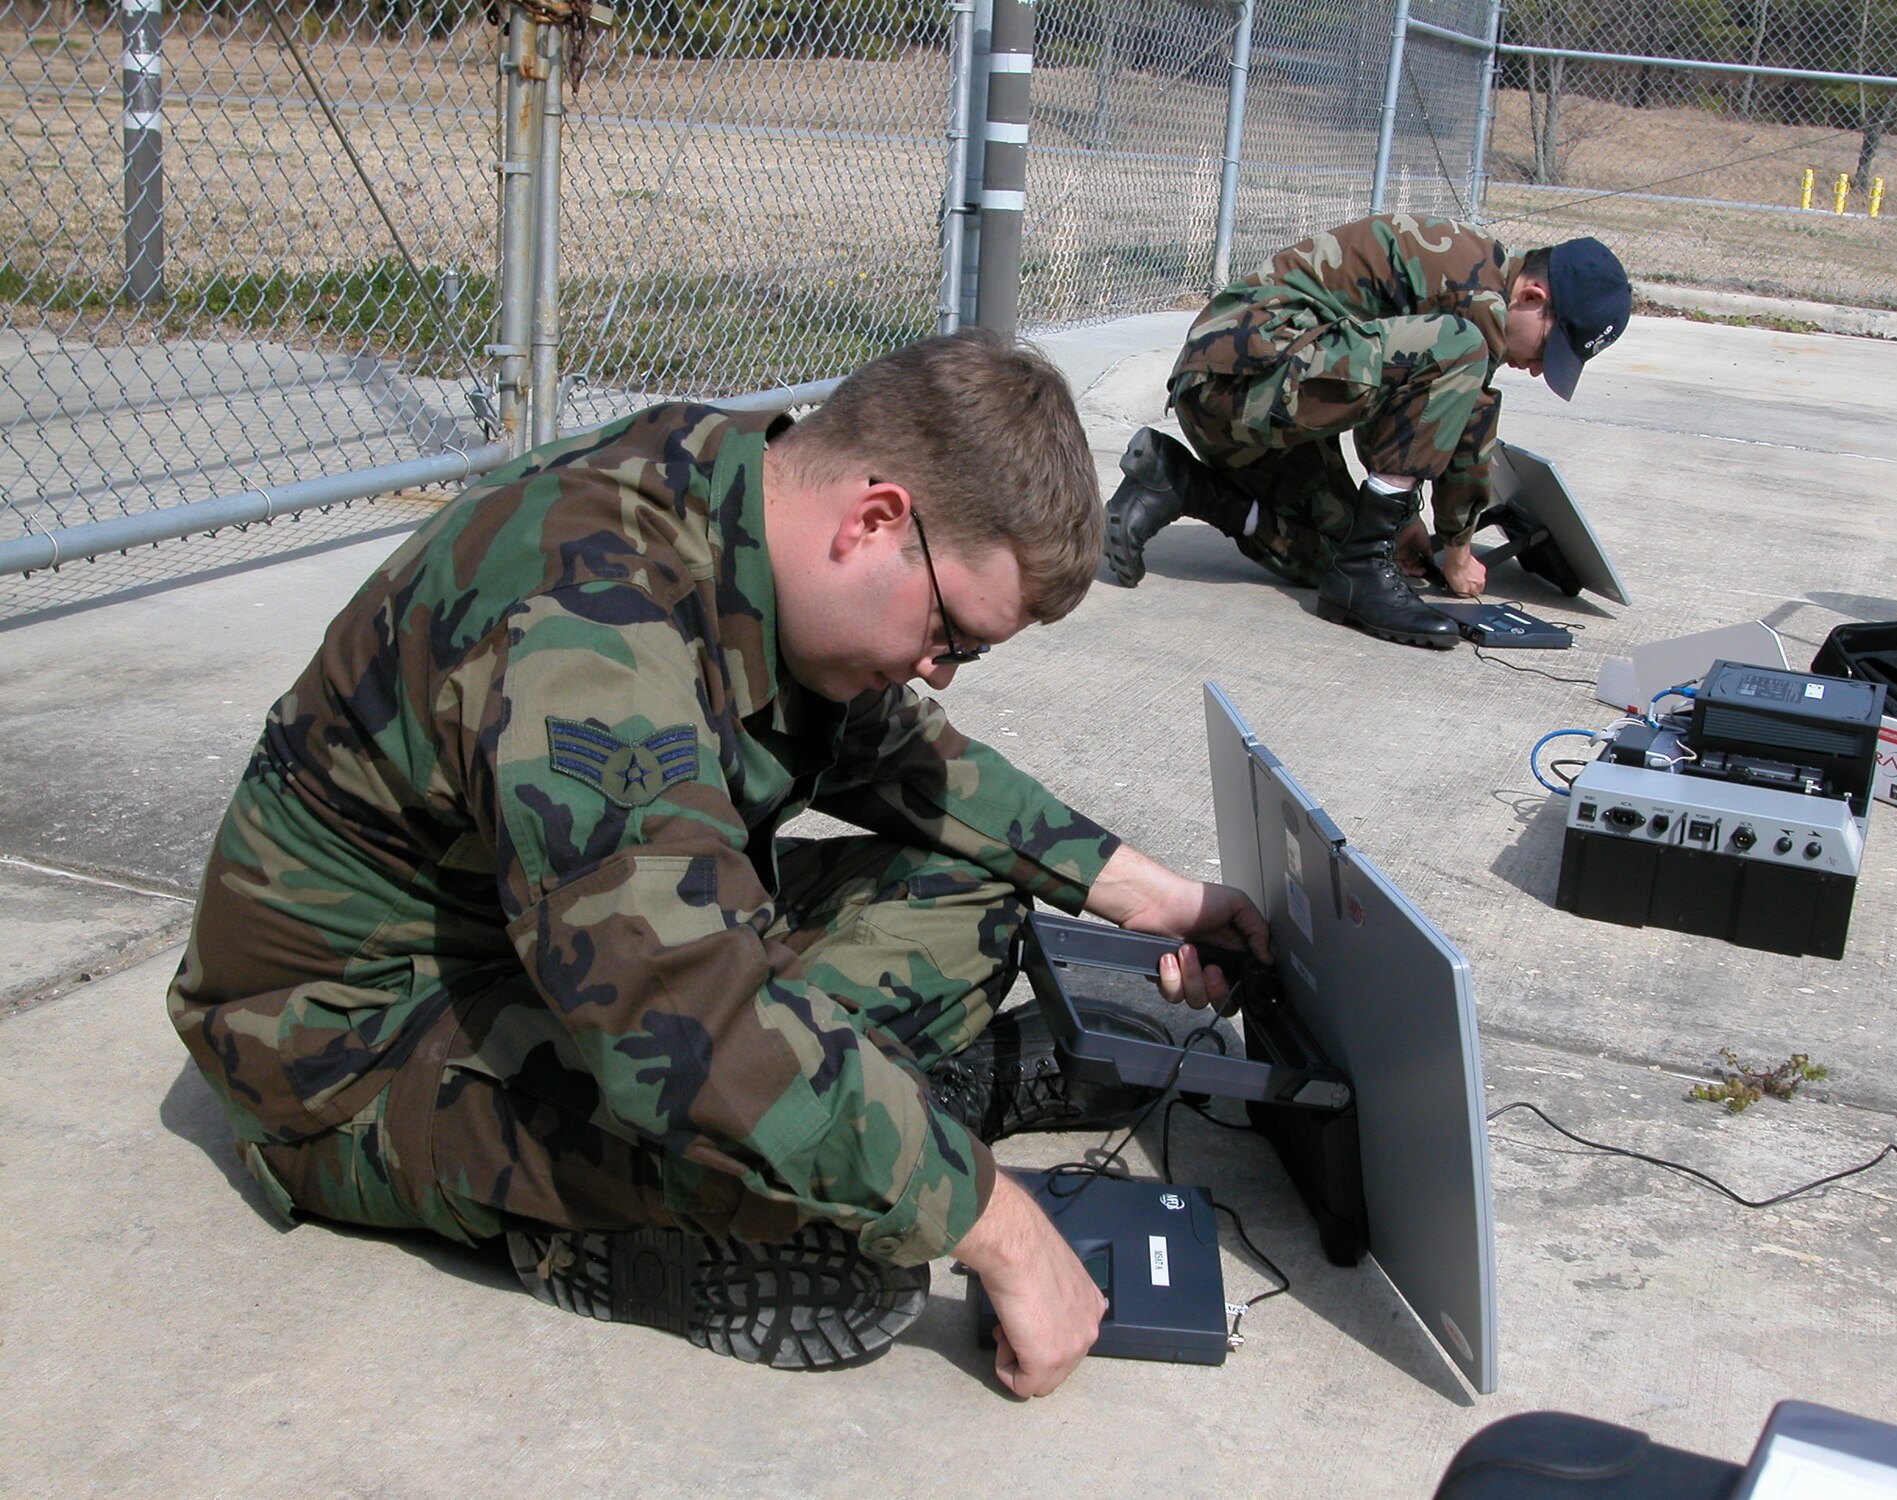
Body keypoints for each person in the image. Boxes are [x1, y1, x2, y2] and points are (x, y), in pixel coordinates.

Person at [166, 328, 1269, 1400]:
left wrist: (1147, 894)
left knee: (974, 897)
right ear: (875, 520)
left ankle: (880, 1125)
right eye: (953, 638)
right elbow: (678, 1014)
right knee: (763, 1126)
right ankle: (622, 1235)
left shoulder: (745, 489)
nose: (945, 670)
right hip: (354, 1043)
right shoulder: (590, 626)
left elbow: (910, 763)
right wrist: (995, 1225)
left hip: (540, 939)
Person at [1102, 213, 1631, 649]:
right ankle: (1365, 566)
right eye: (1546, 350)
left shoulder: (1476, 283)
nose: (1538, 369)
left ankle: (1175, 482)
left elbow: (1388, 406)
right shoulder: (1476, 293)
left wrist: (1397, 526)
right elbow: (1467, 437)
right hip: (1245, 381)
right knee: (1460, 349)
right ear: (1532, 298)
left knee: (1335, 560)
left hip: (1250, 395)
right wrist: (1457, 549)